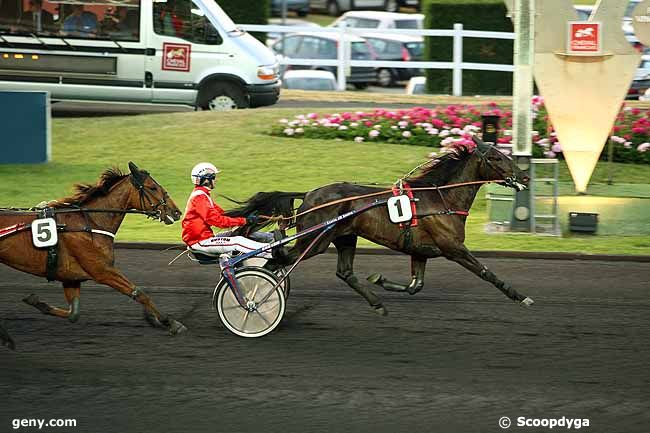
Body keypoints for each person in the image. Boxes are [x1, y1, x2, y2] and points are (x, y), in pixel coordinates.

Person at [181, 162, 276, 259]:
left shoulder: (202, 195)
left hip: (205, 238)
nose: (216, 180)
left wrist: (245, 217)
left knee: (237, 233)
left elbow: (222, 214)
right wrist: (244, 221)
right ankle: (271, 252)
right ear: (206, 180)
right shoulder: (199, 198)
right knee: (237, 241)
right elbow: (216, 220)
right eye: (213, 177)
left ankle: (269, 238)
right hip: (200, 242)